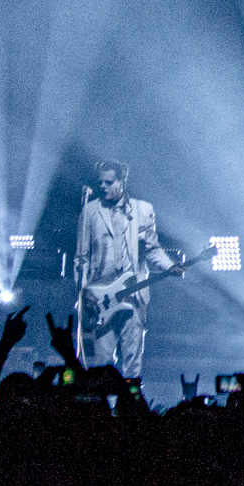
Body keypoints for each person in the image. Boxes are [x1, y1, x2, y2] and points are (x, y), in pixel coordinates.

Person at [75, 160, 181, 385]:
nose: (102, 186)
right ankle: (104, 401)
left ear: (121, 181)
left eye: (108, 182)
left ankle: (131, 401)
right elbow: (81, 258)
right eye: (100, 182)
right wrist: (84, 291)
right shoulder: (90, 211)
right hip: (101, 298)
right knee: (102, 363)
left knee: (133, 357)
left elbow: (153, 249)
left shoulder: (143, 210)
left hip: (134, 294)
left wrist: (168, 266)